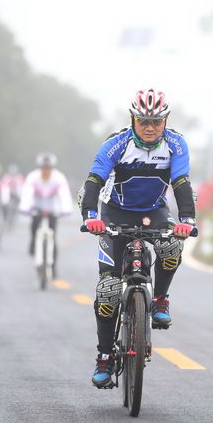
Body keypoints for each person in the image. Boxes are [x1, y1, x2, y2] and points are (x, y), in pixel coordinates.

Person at [80, 88, 196, 388]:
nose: (150, 127)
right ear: (132, 118)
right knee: (107, 289)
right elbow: (94, 181)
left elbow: (181, 183)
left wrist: (187, 221)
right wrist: (90, 217)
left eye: (157, 121)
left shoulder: (176, 144)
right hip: (114, 213)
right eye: (143, 120)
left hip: (154, 211)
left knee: (171, 244)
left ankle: (159, 299)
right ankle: (104, 356)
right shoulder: (115, 144)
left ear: (165, 121)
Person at [19, 153, 74, 267]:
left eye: (48, 168)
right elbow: (27, 194)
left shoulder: (58, 178)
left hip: (52, 210)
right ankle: (33, 243)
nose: (46, 171)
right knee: (34, 229)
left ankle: (53, 267)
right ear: (40, 168)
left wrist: (66, 209)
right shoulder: (33, 177)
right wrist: (25, 207)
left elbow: (64, 195)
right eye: (43, 168)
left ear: (52, 168)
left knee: (53, 237)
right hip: (37, 208)